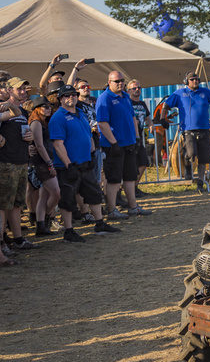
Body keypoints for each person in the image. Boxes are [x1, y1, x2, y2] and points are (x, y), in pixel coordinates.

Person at [51, 85, 121, 243]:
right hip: (69, 166)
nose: (71, 98)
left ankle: (100, 223)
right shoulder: (58, 117)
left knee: (94, 194)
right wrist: (68, 165)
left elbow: (88, 134)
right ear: (60, 99)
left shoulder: (81, 113)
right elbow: (57, 144)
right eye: (67, 96)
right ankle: (69, 231)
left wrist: (91, 153)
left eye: (73, 95)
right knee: (68, 200)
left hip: (85, 163)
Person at [96, 71, 152, 217]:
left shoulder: (126, 97)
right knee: (114, 178)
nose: (120, 83)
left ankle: (133, 207)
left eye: (122, 81)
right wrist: (113, 142)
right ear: (109, 82)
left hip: (129, 143)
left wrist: (137, 137)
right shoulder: (104, 98)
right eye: (116, 81)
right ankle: (112, 210)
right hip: (113, 145)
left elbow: (133, 118)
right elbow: (102, 123)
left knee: (130, 176)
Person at [161, 72, 210, 193]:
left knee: (204, 157)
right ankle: (187, 167)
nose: (195, 81)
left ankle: (200, 182)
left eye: (197, 79)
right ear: (186, 81)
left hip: (204, 129)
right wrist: (163, 118)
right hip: (188, 130)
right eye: (192, 79)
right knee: (191, 153)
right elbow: (166, 105)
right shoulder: (179, 93)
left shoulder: (205, 92)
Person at [0, 78, 37, 252]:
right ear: (9, 90)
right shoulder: (2, 107)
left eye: (24, 89)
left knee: (16, 205)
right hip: (6, 162)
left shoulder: (22, 110)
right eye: (18, 89)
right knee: (3, 205)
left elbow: (24, 133)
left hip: (21, 161)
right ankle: (2, 244)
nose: (23, 92)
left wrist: (30, 139)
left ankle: (18, 239)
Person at [27, 96, 60, 236]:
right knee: (56, 193)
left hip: (47, 160)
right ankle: (46, 219)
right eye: (45, 106)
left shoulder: (45, 122)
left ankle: (41, 225)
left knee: (45, 194)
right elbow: (39, 146)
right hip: (41, 162)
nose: (49, 109)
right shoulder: (35, 123)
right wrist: (49, 164)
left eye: (49, 106)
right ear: (37, 109)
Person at [126, 79, 153, 197]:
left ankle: (135, 187)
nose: (137, 90)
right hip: (128, 137)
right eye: (134, 88)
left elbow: (147, 117)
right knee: (130, 165)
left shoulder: (142, 104)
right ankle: (128, 189)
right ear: (128, 91)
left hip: (139, 137)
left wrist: (151, 124)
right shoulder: (127, 103)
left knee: (144, 162)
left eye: (139, 88)